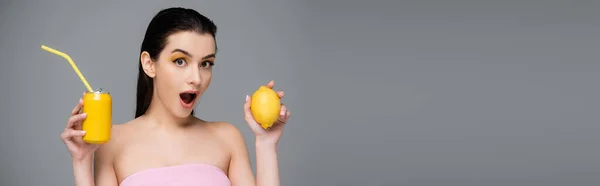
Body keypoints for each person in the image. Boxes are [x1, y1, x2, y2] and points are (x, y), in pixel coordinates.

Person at [60, 7, 291, 186]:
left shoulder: (227, 138)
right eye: (180, 61)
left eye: (206, 63)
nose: (197, 78)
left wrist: (266, 143)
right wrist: (81, 162)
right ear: (149, 64)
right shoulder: (111, 142)